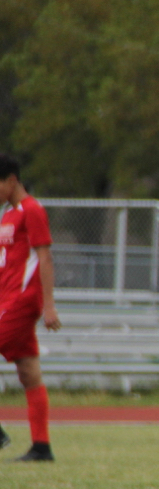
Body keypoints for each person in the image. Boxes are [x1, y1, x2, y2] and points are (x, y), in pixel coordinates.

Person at [0, 153, 59, 462]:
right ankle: (41, 446)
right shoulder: (8, 215)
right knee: (28, 372)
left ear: (11, 181)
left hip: (23, 301)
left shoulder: (32, 211)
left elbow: (44, 257)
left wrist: (49, 305)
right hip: (7, 299)